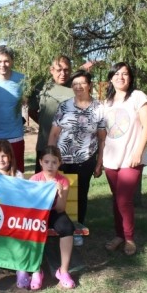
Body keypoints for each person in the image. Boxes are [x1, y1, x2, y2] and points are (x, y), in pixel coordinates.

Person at [47, 70, 106, 246]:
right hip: (61, 161)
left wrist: (99, 162)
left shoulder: (99, 108)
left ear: (90, 85)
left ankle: (77, 229)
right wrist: (51, 159)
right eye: (75, 84)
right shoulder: (64, 106)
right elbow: (54, 134)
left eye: (82, 83)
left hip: (85, 160)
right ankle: (59, 227)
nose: (78, 87)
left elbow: (102, 138)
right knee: (58, 195)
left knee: (80, 196)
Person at [102, 62, 147, 256]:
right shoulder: (107, 102)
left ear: (130, 77)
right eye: (116, 73)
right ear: (111, 77)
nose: (120, 77)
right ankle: (119, 235)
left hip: (131, 158)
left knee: (124, 200)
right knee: (116, 200)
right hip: (110, 159)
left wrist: (138, 152)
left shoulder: (138, 97)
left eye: (125, 74)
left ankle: (130, 238)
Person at [0, 140, 30, 290]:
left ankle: (21, 268)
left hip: (13, 217)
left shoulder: (18, 175)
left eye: (4, 156)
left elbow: (23, 199)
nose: (1, 160)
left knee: (22, 233)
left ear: (10, 157)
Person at [29, 146, 76, 289]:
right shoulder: (35, 179)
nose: (50, 165)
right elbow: (31, 205)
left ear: (59, 163)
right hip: (38, 212)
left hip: (55, 212)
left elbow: (61, 208)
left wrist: (60, 193)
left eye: (54, 162)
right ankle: (36, 271)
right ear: (41, 162)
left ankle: (63, 271)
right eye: (47, 162)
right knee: (32, 228)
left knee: (67, 227)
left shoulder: (63, 181)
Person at [28, 55, 73, 173]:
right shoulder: (41, 87)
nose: (63, 73)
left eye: (66, 69)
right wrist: (48, 124)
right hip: (45, 146)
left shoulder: (76, 87)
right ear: (51, 70)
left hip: (70, 149)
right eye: (59, 70)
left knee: (68, 187)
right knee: (43, 186)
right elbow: (32, 111)